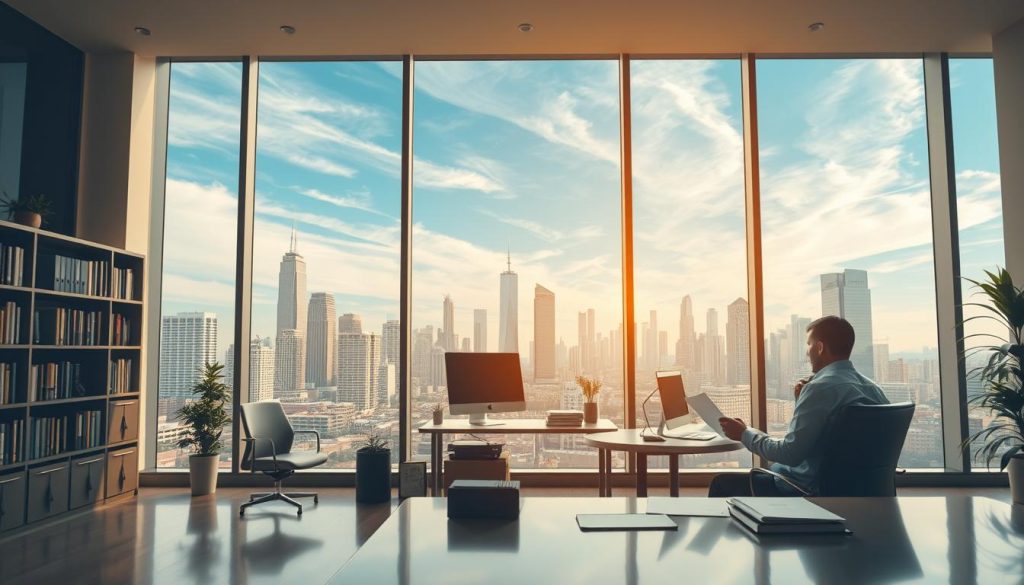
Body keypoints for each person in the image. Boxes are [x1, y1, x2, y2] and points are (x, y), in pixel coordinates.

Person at [708, 315, 889, 497]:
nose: (807, 353)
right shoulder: (874, 390)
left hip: (806, 490)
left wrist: (744, 434)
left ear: (820, 348)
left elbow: (790, 454)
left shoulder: (819, 388)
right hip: (863, 492)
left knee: (721, 484)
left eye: (809, 345)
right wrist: (801, 401)